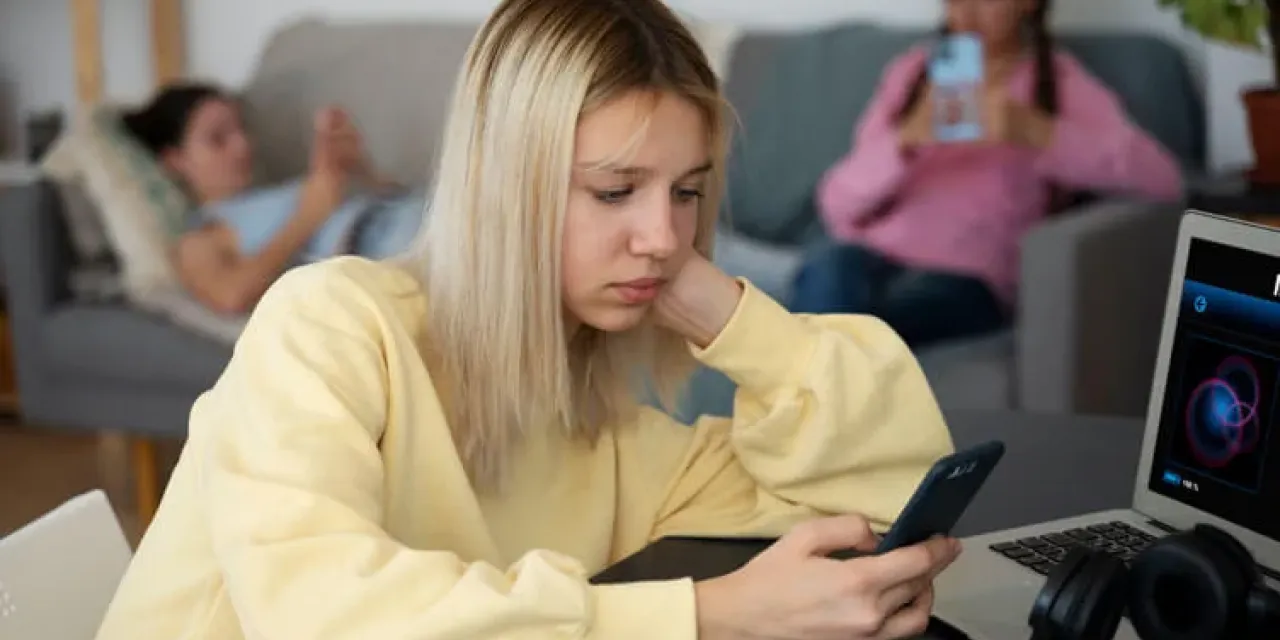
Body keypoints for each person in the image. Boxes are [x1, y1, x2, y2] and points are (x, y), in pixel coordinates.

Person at [94, 1, 962, 638]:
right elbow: (320, 615)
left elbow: (882, 501)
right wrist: (707, 615)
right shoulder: (325, 327)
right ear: (502, 187)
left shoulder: (611, 437)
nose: (664, 238)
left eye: (687, 192)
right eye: (615, 191)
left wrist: (725, 309)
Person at [788, 0, 1184, 348]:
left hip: (968, 276)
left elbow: (1164, 179)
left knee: (864, 329)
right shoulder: (912, 73)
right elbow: (835, 203)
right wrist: (905, 141)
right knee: (827, 271)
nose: (967, 15)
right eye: (955, 1)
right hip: (874, 252)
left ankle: (823, 383)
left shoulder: (1058, 82)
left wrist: (1037, 131)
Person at [120, 85, 426, 314]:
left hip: (412, 212)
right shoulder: (201, 238)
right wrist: (309, 215)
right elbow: (230, 296)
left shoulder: (283, 189)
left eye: (241, 130)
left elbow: (392, 196)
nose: (242, 146)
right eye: (218, 139)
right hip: (384, 249)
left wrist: (359, 167)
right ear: (175, 160)